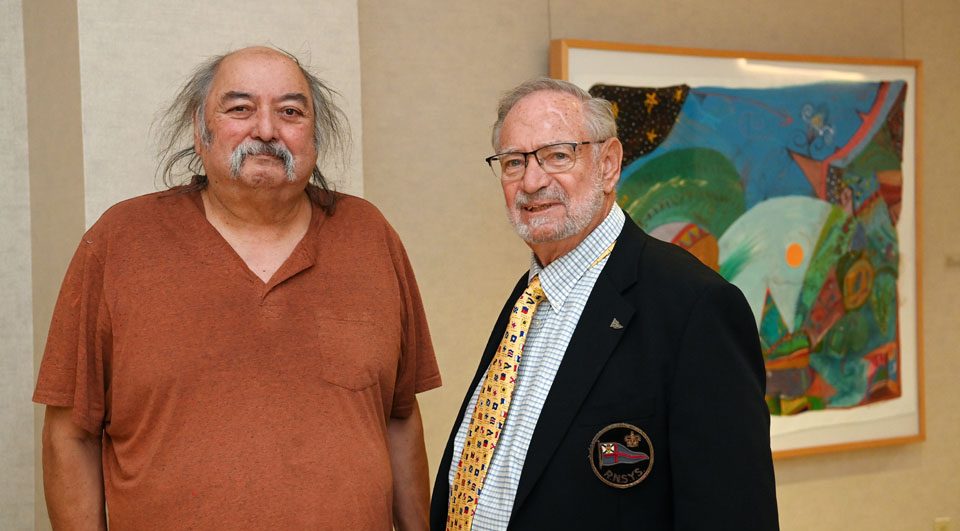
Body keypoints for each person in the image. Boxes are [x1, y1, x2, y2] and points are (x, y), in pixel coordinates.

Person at [34, 46, 440, 530]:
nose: (267, 130)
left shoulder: (370, 235)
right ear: (199, 131)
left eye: (290, 112)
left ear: (314, 134)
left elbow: (399, 416)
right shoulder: (120, 241)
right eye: (240, 108)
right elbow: (70, 432)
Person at [430, 78, 779, 530]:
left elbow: (733, 515)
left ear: (609, 164)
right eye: (514, 162)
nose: (532, 181)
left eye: (558, 155)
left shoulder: (695, 307)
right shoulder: (528, 298)